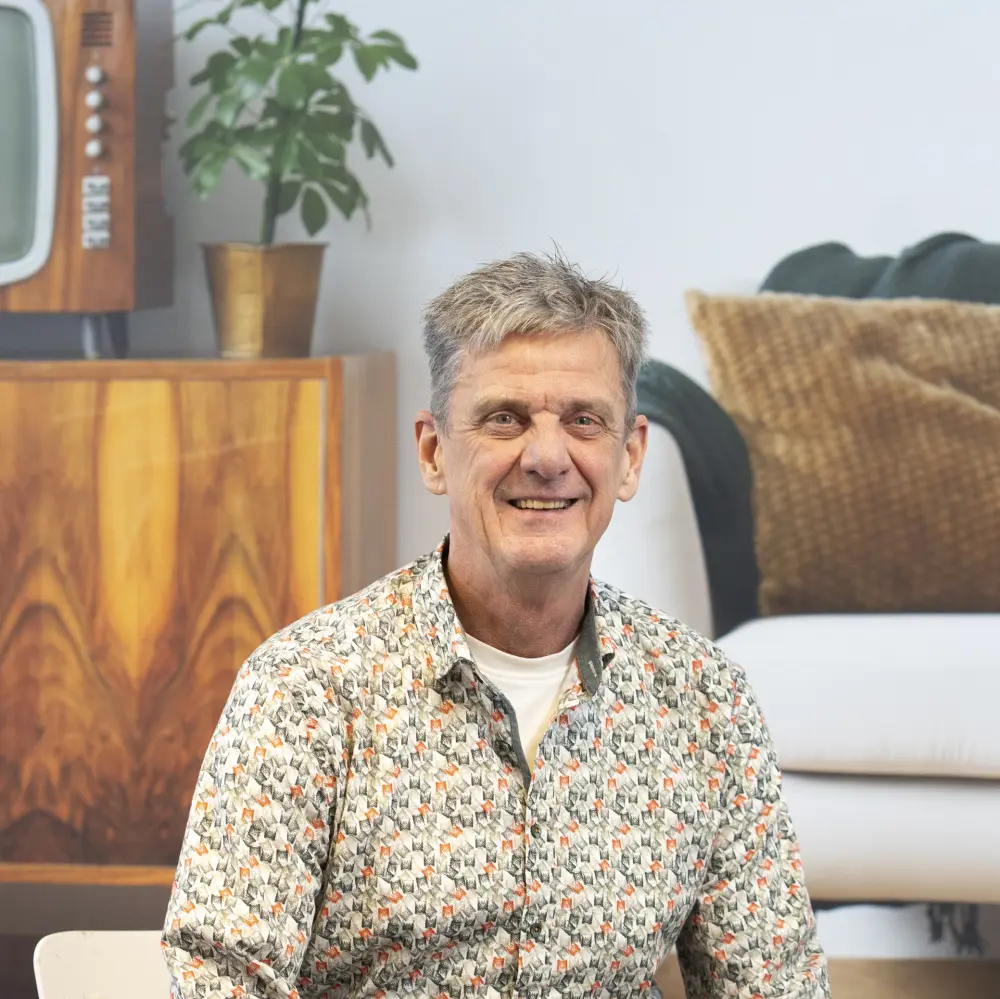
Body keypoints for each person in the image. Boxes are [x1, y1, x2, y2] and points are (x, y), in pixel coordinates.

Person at [162, 251, 829, 998]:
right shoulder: (304, 689)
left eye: (583, 420)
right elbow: (221, 980)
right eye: (504, 418)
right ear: (433, 452)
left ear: (630, 456)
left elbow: (775, 986)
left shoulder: (706, 699)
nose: (546, 457)